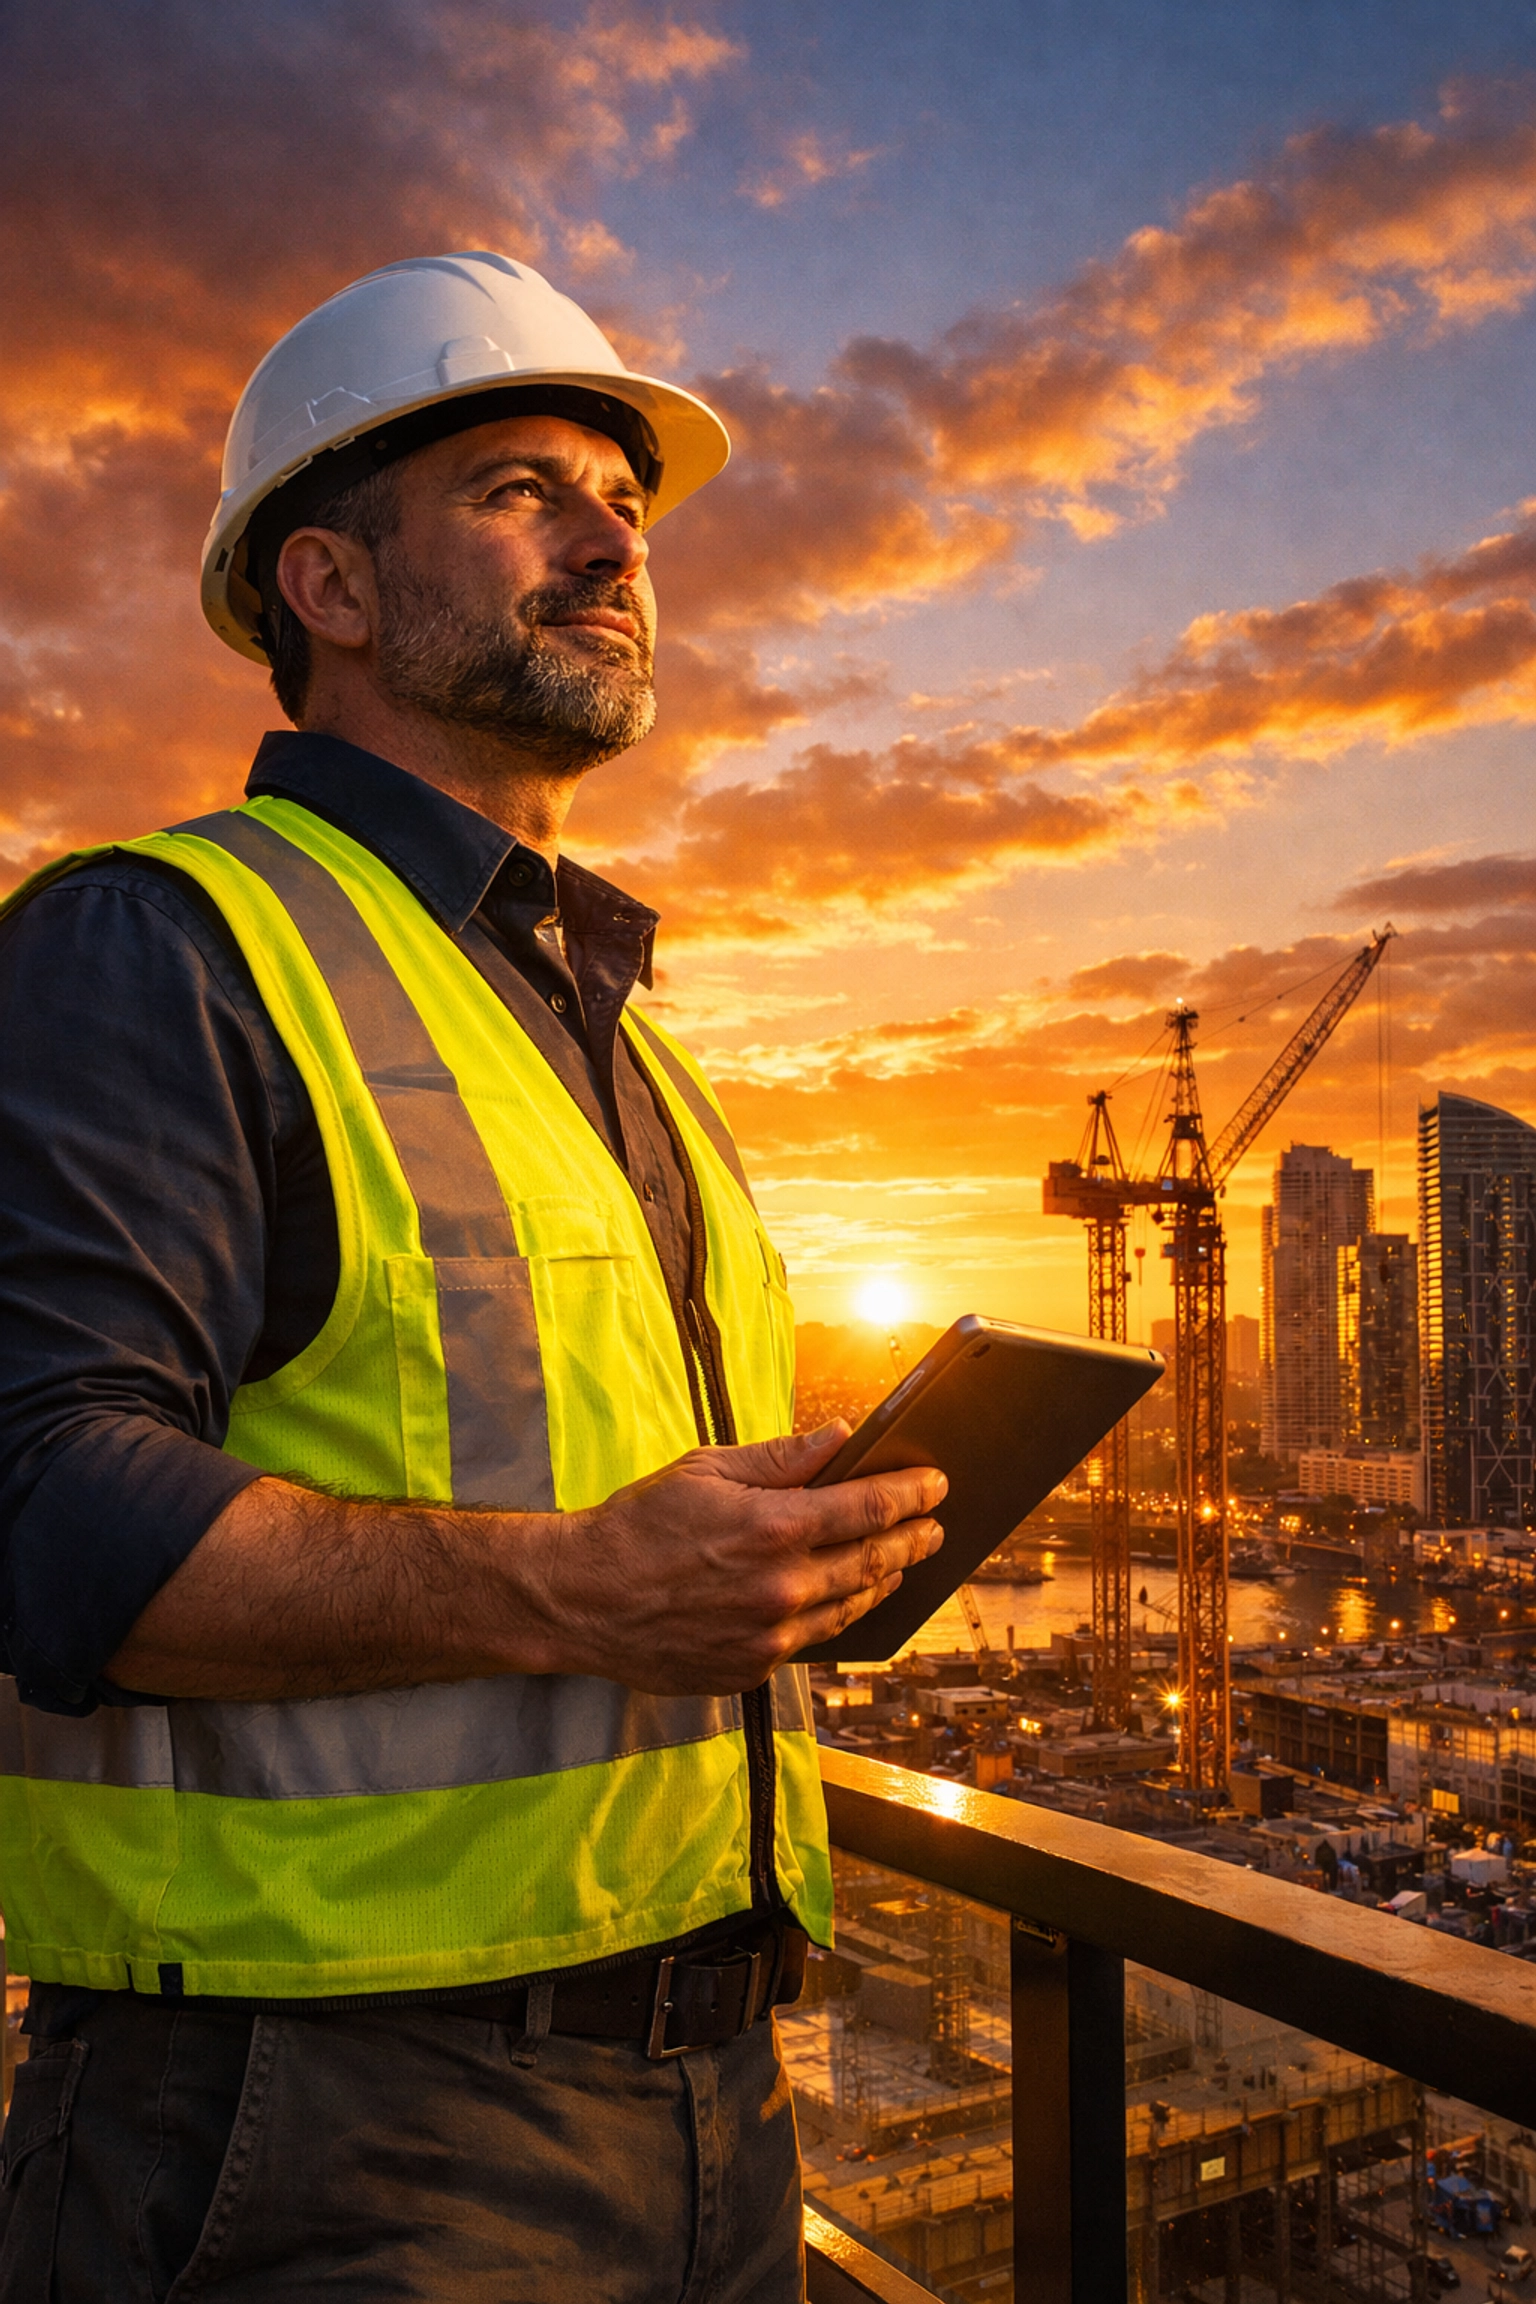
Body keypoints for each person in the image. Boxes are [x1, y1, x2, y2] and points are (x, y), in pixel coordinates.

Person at [0, 253, 945, 2303]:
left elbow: (595, 1494)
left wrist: (802, 1544)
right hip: (316, 2129)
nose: (618, 536)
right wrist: (572, 1585)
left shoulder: (623, 1043)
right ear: (328, 591)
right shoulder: (160, 945)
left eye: (630, 503)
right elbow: (42, 1509)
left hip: (712, 2104)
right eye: (528, 487)